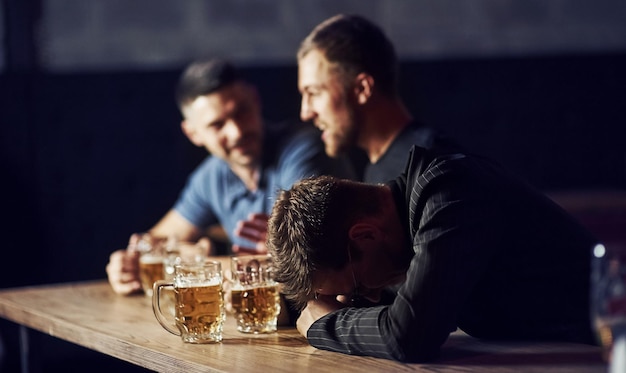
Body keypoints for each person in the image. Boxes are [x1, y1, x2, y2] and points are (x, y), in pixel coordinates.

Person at [267, 144, 598, 362]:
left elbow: (410, 335)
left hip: (600, 351)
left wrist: (325, 325)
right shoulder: (401, 228)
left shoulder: (448, 194)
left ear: (365, 235)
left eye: (354, 289)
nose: (358, 298)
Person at [107, 58, 354, 295]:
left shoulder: (304, 149)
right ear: (193, 134)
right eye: (217, 125)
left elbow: (298, 266)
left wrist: (195, 259)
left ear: (256, 101)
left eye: (241, 112)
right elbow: (155, 242)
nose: (236, 132)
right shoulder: (210, 176)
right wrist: (126, 265)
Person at [297, 13, 454, 183]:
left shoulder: (434, 169)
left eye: (314, 92)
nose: (305, 113)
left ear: (362, 89)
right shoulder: (379, 171)